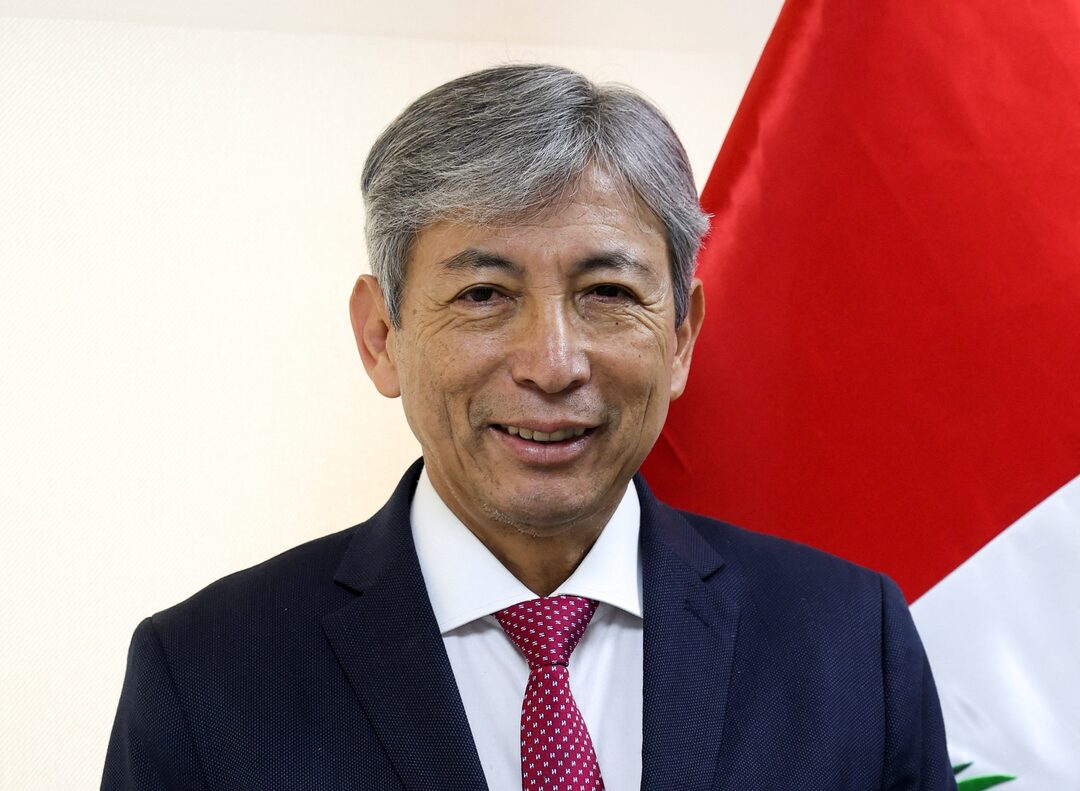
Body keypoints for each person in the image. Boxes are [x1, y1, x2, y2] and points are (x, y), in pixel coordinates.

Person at [102, 64, 955, 791]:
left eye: (607, 293)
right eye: (484, 295)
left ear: (681, 336)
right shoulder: (206, 675)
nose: (553, 363)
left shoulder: (852, 643)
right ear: (381, 336)